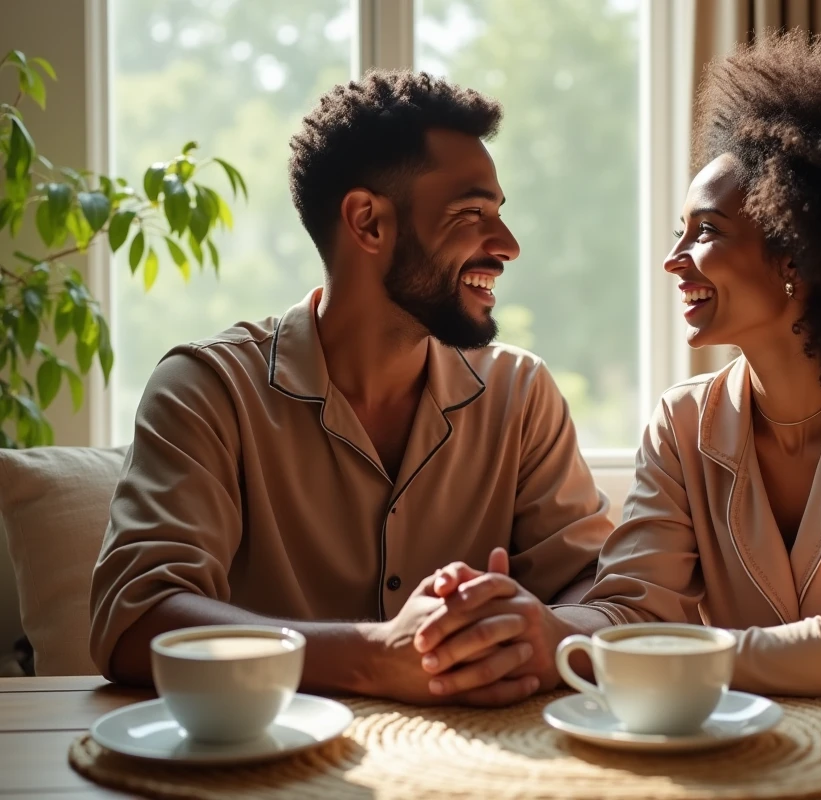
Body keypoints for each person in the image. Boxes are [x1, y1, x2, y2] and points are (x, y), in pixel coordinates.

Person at [409, 31, 821, 704]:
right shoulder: (684, 420)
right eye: (678, 232)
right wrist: (532, 625)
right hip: (751, 745)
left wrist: (656, 656)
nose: (674, 259)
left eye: (707, 232)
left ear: (797, 254)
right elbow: (632, 611)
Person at [88, 70, 612, 707]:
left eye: (499, 214)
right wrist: (375, 656)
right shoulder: (208, 390)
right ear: (368, 223)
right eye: (472, 213)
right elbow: (136, 620)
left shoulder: (521, 393)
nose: (507, 245)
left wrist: (543, 630)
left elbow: (600, 591)